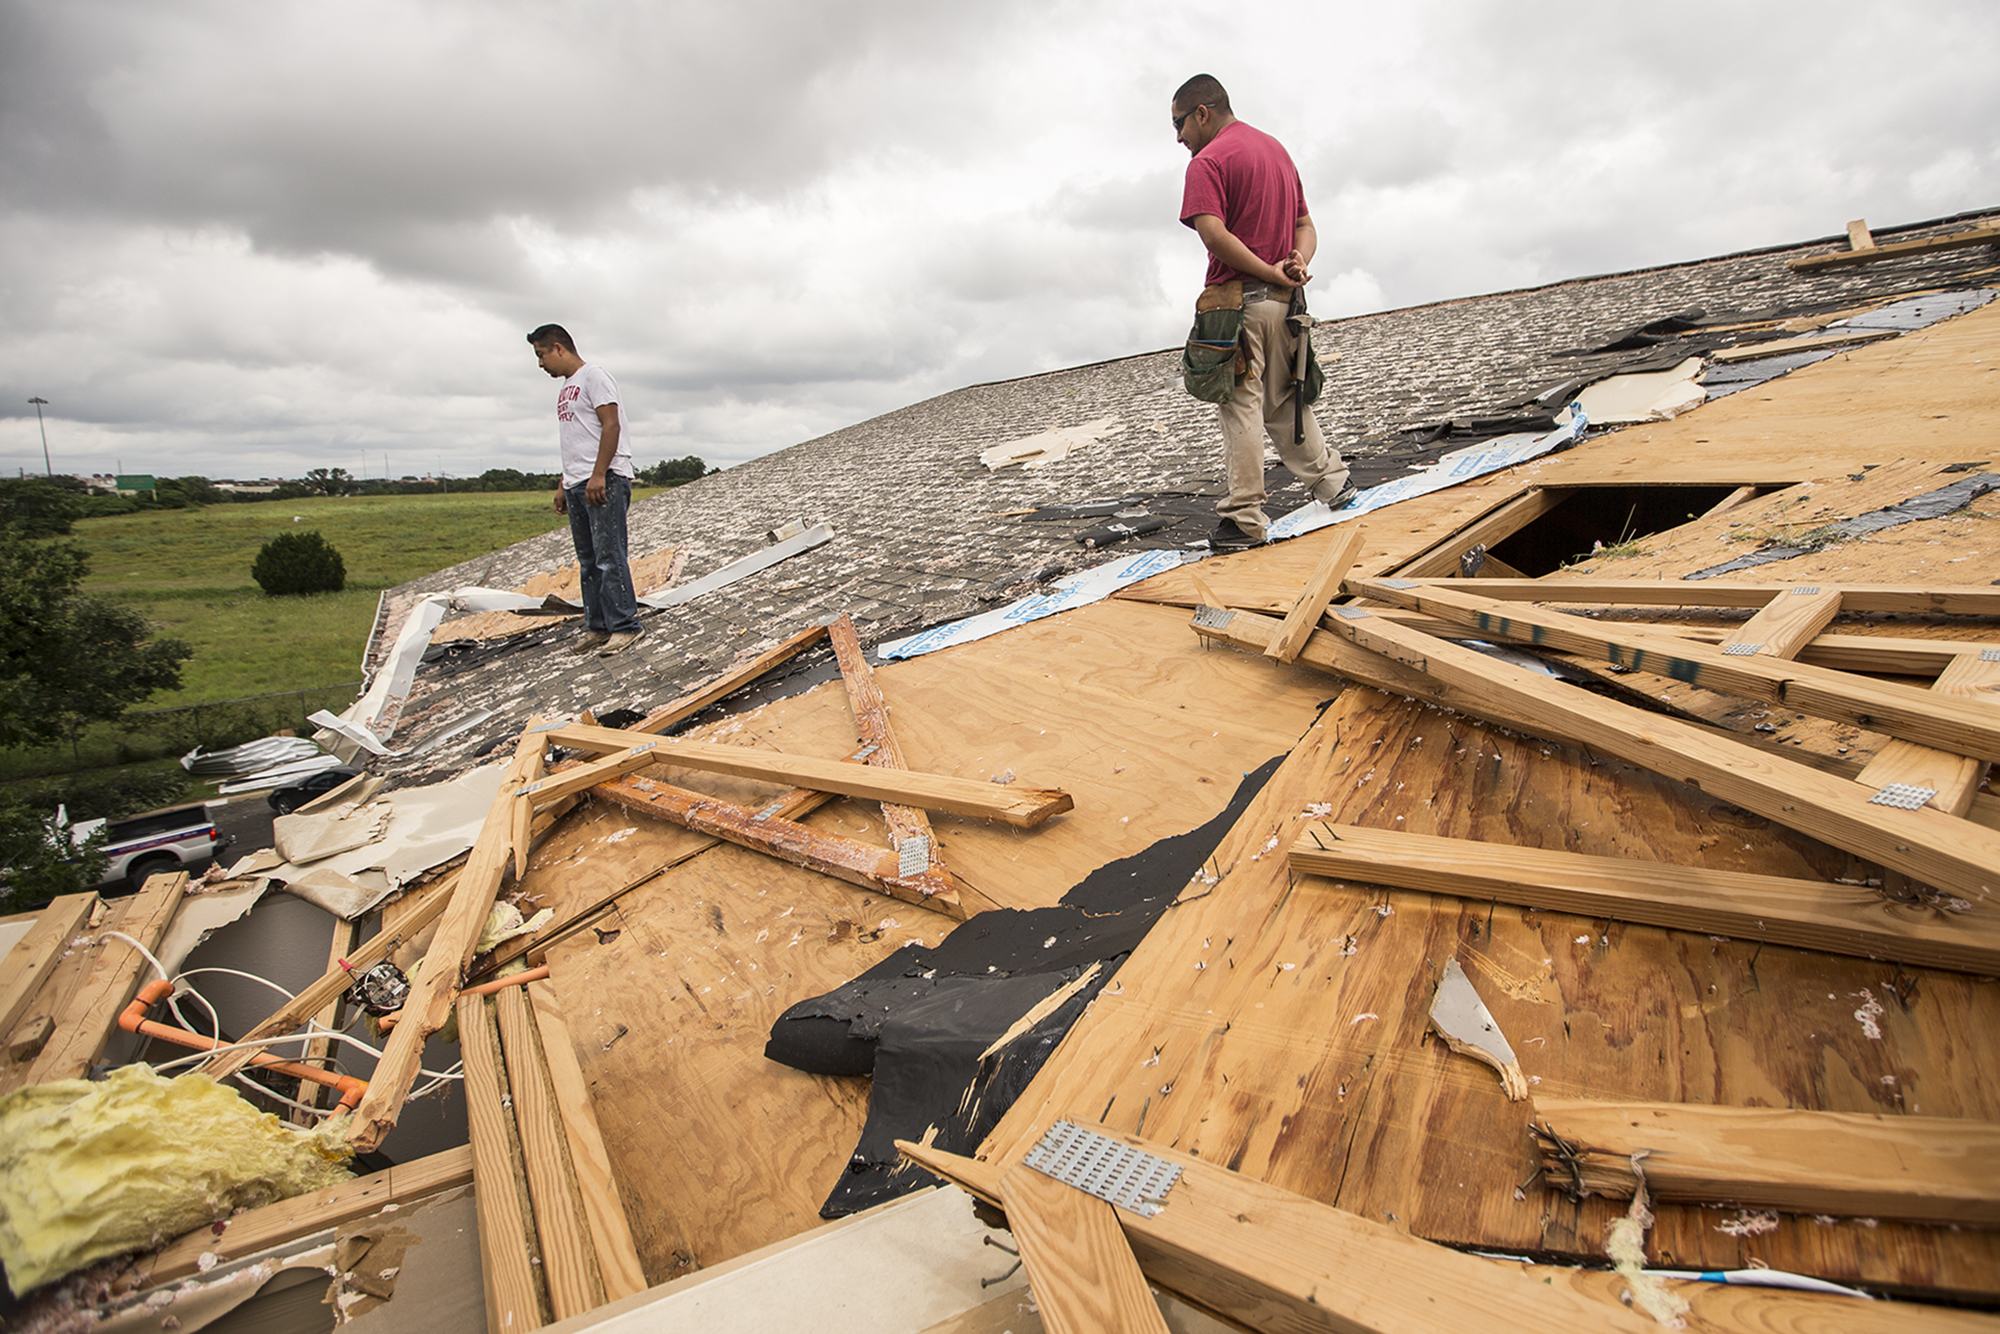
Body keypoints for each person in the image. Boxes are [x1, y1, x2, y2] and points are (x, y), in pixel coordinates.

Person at [1173, 74, 1354, 551]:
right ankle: (1334, 483)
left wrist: (1273, 273)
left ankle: (1244, 519)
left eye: (1179, 124)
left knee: (1241, 408)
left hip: (1241, 307)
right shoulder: (1275, 150)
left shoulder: (1208, 162)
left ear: (1202, 113)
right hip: (1285, 309)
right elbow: (1304, 226)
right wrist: (1298, 261)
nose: (1178, 138)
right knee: (1286, 403)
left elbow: (1214, 236)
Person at [528, 324, 643, 655]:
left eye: (541, 355)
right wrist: (563, 484)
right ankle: (598, 626)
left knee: (609, 555)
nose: (540, 364)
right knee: (588, 559)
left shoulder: (594, 376)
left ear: (559, 348)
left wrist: (598, 475)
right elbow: (574, 440)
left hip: (603, 479)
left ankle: (625, 626)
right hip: (577, 481)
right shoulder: (566, 388)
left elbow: (611, 425)